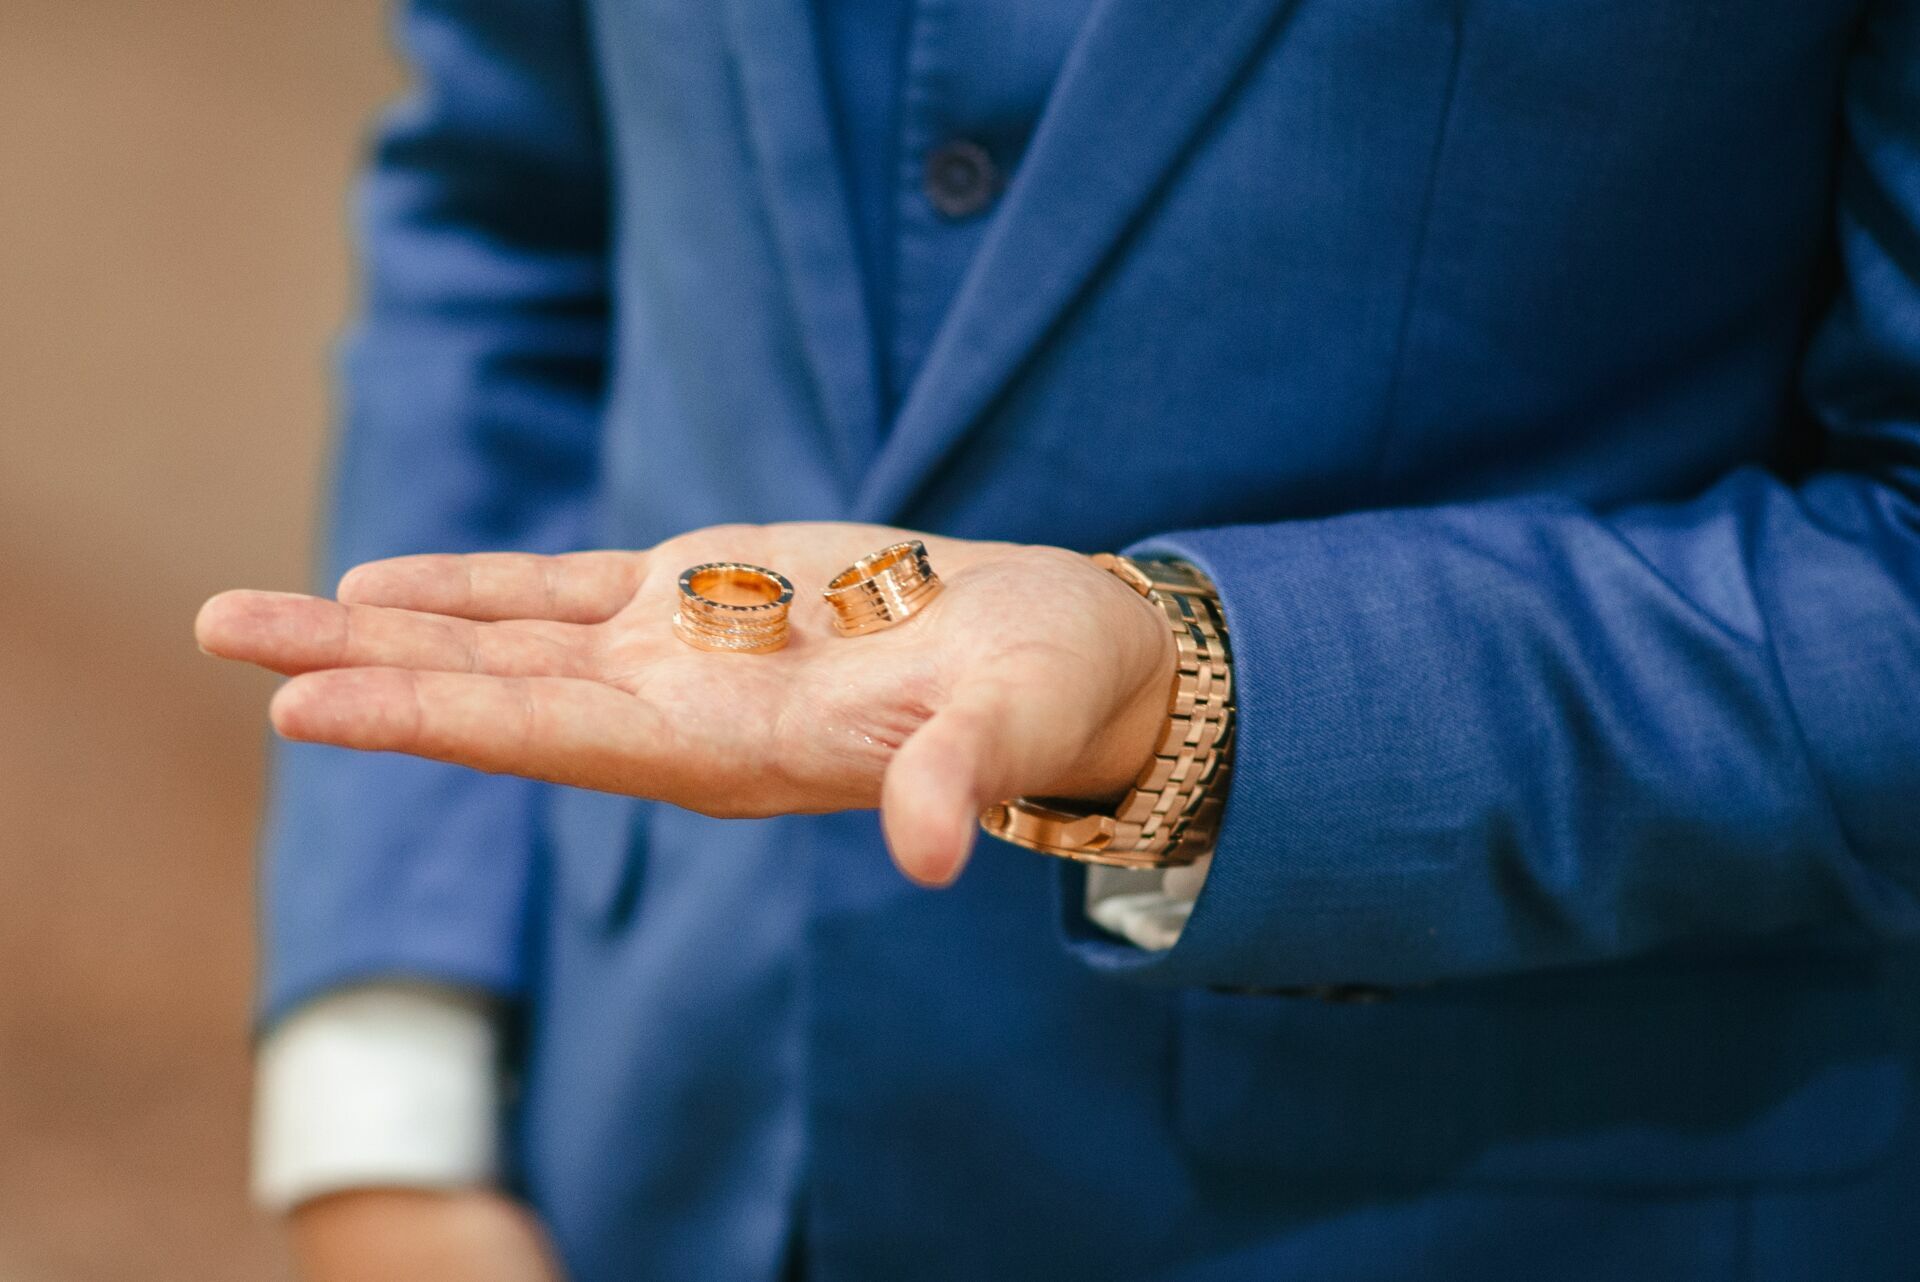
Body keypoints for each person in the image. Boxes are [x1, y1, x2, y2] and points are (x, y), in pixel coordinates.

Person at [197, 0, 1920, 1278]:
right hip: (641, 1140)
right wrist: (387, 1104)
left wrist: (1191, 677)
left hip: (1482, 1198)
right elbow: (513, 218)